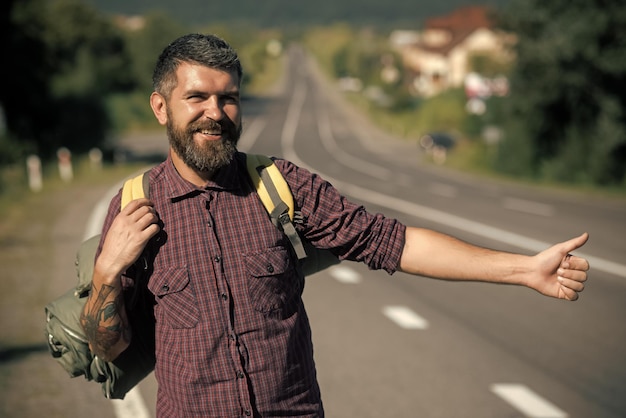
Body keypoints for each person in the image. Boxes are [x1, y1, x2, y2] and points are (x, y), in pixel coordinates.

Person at [80, 33, 590, 417]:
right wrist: (106, 274)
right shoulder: (133, 209)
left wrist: (523, 270)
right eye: (197, 98)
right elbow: (108, 347)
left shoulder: (281, 184)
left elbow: (395, 243)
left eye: (228, 97)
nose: (216, 113)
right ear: (161, 107)